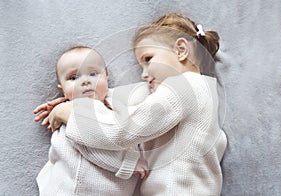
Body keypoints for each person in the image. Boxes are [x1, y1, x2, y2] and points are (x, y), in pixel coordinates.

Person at [36, 13, 227, 195]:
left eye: (148, 59)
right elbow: (128, 99)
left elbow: (121, 130)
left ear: (181, 50)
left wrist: (69, 114)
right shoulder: (198, 90)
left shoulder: (184, 86)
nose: (144, 74)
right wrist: (77, 98)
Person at [34, 46, 148, 195]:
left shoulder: (115, 102)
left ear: (106, 76)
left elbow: (145, 90)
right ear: (62, 89)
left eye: (93, 74)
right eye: (73, 78)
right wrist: (129, 163)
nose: (85, 81)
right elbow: (92, 146)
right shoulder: (76, 110)